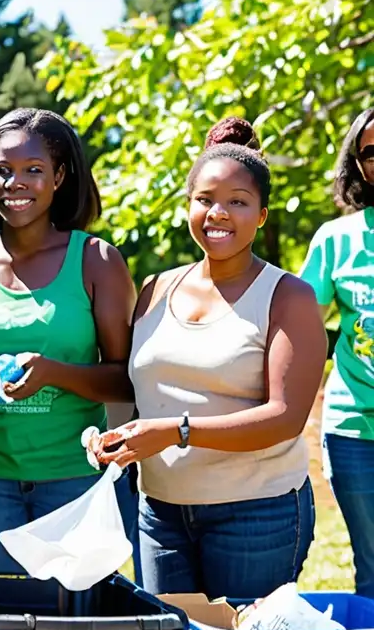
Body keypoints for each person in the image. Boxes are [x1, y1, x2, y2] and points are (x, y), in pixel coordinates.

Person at [91, 117, 326, 600]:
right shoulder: (156, 288)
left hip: (256, 513)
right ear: (188, 206)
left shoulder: (288, 297)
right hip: (160, 513)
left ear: (261, 215)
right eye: (205, 200)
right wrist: (115, 438)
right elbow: (142, 393)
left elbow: (284, 417)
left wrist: (176, 432)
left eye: (237, 202)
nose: (218, 213)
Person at [0, 109, 139, 582]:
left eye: (33, 170)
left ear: (60, 177)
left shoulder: (96, 261)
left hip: (74, 479)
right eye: (2, 170)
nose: (15, 182)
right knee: (0, 622)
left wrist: (55, 373)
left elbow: (126, 379)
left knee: (75, 624)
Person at [299, 107, 374, 598]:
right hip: (354, 432)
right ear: (359, 165)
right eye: (371, 152)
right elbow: (300, 328)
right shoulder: (336, 239)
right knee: (371, 571)